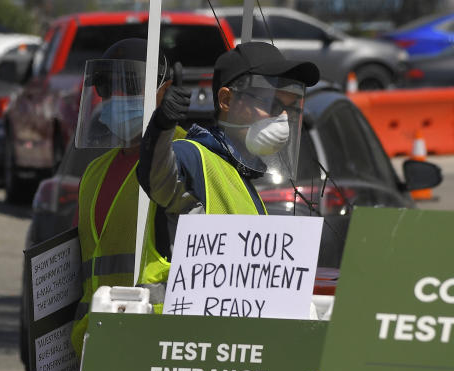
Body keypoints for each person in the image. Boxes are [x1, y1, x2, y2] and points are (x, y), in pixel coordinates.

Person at [136, 41, 320, 306]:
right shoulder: (192, 156)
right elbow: (156, 177)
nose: (282, 118)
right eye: (271, 103)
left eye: (289, 108)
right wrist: (163, 125)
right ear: (226, 100)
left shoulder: (241, 177)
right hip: (176, 334)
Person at [70, 38, 186, 356]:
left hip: (153, 343)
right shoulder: (94, 172)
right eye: (107, 87)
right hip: (96, 345)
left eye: (132, 84)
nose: (117, 97)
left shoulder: (185, 157)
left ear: (163, 90)